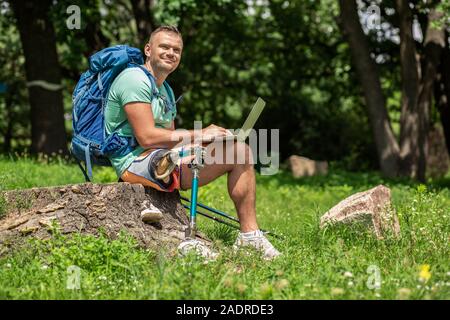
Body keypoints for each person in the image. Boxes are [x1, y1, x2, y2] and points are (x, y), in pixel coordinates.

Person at [104, 25, 281, 260]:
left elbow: (169, 140)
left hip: (162, 159)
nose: (170, 53)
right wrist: (198, 134)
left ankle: (249, 236)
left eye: (176, 50)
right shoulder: (133, 79)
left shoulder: (165, 90)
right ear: (148, 50)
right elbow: (146, 137)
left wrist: (200, 147)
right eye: (164, 47)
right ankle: (188, 239)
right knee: (174, 155)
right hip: (131, 162)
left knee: (240, 152)